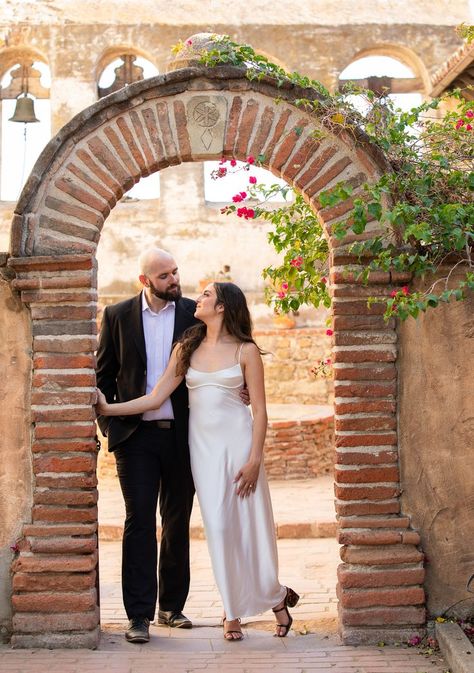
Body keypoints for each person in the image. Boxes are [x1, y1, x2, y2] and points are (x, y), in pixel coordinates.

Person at [96, 281, 299, 641]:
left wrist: (255, 459)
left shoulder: (246, 351)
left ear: (222, 307)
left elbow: (262, 411)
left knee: (250, 530)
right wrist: (107, 408)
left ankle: (248, 606)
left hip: (238, 445)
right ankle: (251, 602)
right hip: (201, 450)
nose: (198, 298)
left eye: (206, 294)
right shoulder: (186, 346)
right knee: (219, 528)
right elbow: (155, 396)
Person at [96, 249, 200, 644]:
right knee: (139, 522)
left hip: (183, 436)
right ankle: (138, 616)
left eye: (175, 271)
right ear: (144, 281)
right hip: (135, 438)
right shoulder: (117, 315)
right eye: (164, 275)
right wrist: (112, 425)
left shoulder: (194, 313)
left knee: (177, 521)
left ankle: (171, 608)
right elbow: (103, 374)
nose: (174, 279)